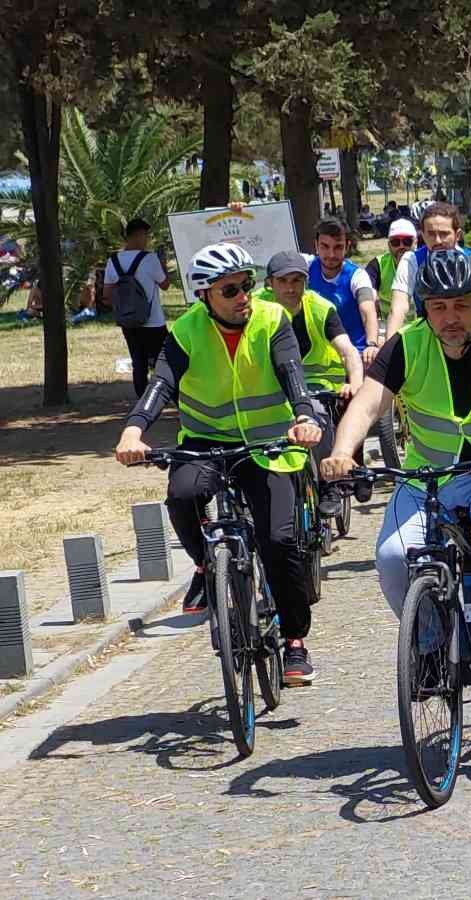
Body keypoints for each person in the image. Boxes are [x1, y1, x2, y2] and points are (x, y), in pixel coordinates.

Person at [321, 248, 471, 694]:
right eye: (439, 307)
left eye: (461, 304)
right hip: (429, 476)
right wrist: (343, 451)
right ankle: (429, 644)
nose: (451, 316)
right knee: (390, 556)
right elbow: (367, 403)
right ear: (425, 309)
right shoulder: (407, 344)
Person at [113, 243, 325, 684]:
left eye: (247, 284)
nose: (243, 295)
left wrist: (304, 415)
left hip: (268, 445)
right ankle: (206, 565)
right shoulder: (187, 331)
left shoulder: (272, 321)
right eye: (230, 289)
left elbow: (292, 375)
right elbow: (161, 385)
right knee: (183, 496)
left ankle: (295, 642)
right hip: (205, 443)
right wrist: (134, 430)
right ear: (205, 295)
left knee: (279, 540)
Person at [255, 251, 366, 515]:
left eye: (297, 280)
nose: (291, 288)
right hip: (272, 386)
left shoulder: (320, 307)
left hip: (317, 385)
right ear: (270, 283)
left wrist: (356, 383)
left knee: (315, 414)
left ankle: (330, 485)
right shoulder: (256, 307)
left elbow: (348, 351)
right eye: (283, 281)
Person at [388, 202, 471, 340]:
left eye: (444, 234)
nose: (437, 241)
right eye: (431, 234)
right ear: (422, 235)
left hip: (469, 336)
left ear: (458, 235)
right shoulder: (411, 261)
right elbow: (398, 309)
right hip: (430, 335)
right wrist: (389, 352)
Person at [103, 218, 173, 397]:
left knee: (138, 362)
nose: (147, 240)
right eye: (146, 236)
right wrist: (162, 264)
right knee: (164, 361)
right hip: (153, 321)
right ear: (139, 235)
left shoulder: (113, 261)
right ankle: (166, 396)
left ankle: (142, 401)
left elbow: (107, 294)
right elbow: (165, 285)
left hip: (128, 321)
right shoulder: (149, 258)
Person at [307, 219, 382, 357]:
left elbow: (368, 312)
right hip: (317, 357)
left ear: (347, 247)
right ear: (316, 245)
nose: (331, 254)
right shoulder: (306, 267)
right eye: (324, 246)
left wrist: (372, 344)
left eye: (338, 247)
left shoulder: (358, 277)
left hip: (354, 354)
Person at [363, 219, 417, 352]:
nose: (401, 246)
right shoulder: (378, 264)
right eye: (395, 242)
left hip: (418, 323)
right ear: (388, 245)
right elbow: (367, 296)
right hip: (385, 325)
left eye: (407, 241)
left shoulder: (423, 261)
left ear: (416, 242)